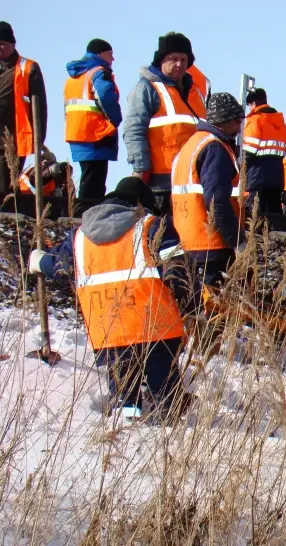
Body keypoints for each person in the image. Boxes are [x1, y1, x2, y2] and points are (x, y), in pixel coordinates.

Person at [27, 177, 189, 422]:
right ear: (141, 205)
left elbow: (59, 265)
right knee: (165, 397)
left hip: (109, 332)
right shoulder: (152, 226)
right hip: (156, 327)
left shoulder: (80, 236)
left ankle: (125, 433)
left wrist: (39, 261)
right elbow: (179, 272)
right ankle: (166, 433)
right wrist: (191, 305)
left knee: (124, 398)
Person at [124, 32, 205, 214]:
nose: (179, 64)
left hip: (192, 181)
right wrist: (141, 169)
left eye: (184, 60)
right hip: (160, 184)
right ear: (161, 60)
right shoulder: (146, 89)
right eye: (174, 59)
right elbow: (133, 131)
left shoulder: (195, 93)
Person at [171, 92, 244, 287]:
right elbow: (216, 202)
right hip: (212, 242)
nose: (239, 127)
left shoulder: (191, 145)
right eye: (236, 120)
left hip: (188, 240)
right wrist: (236, 240)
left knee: (200, 305)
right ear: (223, 120)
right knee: (218, 307)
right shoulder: (215, 148)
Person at [64, 39, 122, 199]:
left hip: (77, 133)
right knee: (94, 181)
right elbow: (105, 96)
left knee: (88, 177)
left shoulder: (73, 78)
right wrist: (116, 119)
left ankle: (82, 213)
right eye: (110, 54)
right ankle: (88, 217)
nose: (113, 59)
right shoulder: (99, 72)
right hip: (96, 133)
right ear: (100, 54)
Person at [0, 21, 47, 194]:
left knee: (5, 187)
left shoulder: (28, 67)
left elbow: (40, 107)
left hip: (13, 139)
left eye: (2, 44)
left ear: (12, 44)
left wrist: (39, 138)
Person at [242, 88, 286, 216]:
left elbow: (248, 151)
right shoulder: (279, 121)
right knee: (275, 216)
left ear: (254, 104)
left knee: (258, 218)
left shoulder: (255, 120)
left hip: (258, 177)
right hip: (277, 176)